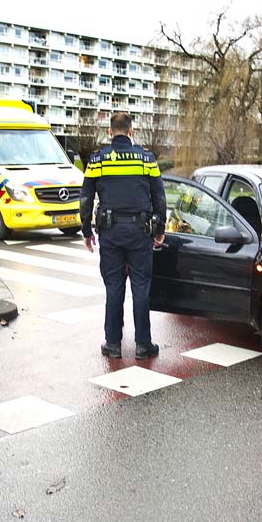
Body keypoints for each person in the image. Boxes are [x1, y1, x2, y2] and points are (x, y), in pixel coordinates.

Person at [80, 112, 166, 360]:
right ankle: (142, 345)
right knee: (141, 288)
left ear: (110, 131)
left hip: (110, 234)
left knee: (114, 287)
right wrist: (159, 231)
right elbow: (159, 198)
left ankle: (113, 344)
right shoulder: (146, 159)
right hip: (140, 233)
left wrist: (87, 231)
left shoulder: (97, 160)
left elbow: (85, 199)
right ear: (131, 132)